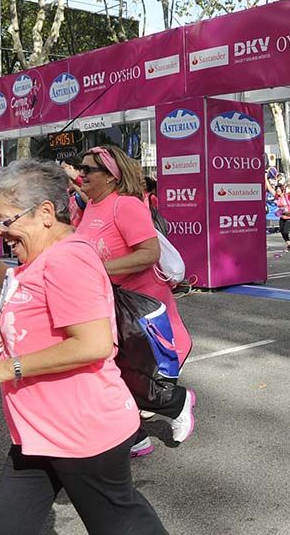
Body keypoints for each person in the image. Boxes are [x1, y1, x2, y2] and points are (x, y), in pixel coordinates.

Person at [0, 158, 166, 533]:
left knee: (120, 523)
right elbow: (16, 287)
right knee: (5, 526)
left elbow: (94, 344)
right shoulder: (39, 258)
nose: (0, 231)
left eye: (6, 220)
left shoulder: (67, 260)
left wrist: (5, 368)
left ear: (46, 213)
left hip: (82, 432)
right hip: (39, 431)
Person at [76, 145, 195, 458]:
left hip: (142, 306)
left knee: (137, 375)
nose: (81, 174)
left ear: (112, 177)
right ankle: (136, 437)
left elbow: (149, 253)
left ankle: (178, 403)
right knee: (107, 373)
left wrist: (98, 269)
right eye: (81, 168)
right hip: (109, 305)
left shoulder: (125, 206)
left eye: (89, 169)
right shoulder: (91, 206)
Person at [274, 184, 290, 252]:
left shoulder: (287, 196)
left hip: (289, 217)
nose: (277, 191)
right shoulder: (277, 197)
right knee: (282, 232)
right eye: (276, 190)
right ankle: (289, 246)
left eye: (279, 190)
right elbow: (270, 188)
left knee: (285, 232)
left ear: (282, 190)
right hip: (282, 217)